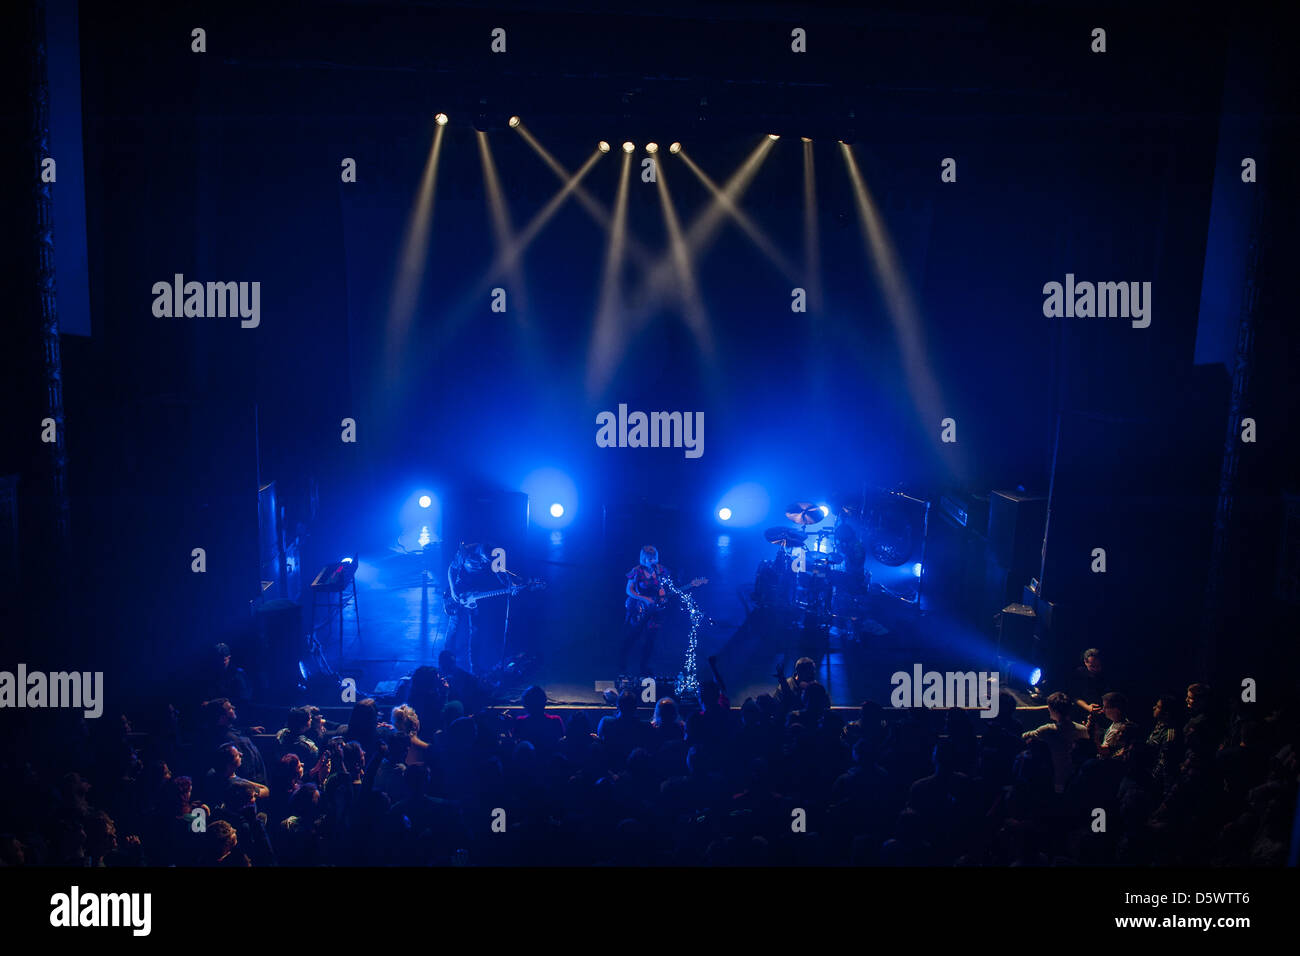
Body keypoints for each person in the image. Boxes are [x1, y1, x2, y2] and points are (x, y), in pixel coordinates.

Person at [444, 542, 508, 674]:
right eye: (483, 560)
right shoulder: (465, 551)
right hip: (460, 593)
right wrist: (453, 591)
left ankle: (475, 666)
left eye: (486, 561)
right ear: (479, 553)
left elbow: (501, 574)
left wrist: (510, 586)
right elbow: (451, 569)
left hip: (475, 596)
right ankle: (446, 662)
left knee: (476, 629)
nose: (484, 563)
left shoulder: (493, 555)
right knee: (454, 626)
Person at [1021, 691, 1088, 793]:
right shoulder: (1082, 730)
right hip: (1074, 780)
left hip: (1055, 780)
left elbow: (1024, 737)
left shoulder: (1047, 730)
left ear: (1053, 710)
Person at [1069, 648, 1109, 720]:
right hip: (1084, 713)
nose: (1096, 669)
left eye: (1098, 666)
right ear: (1085, 662)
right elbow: (1074, 696)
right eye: (1092, 666)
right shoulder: (1079, 674)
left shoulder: (1106, 674)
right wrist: (1087, 707)